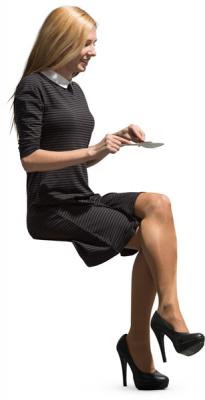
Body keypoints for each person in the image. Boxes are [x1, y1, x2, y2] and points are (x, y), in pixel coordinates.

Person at [9, 5, 204, 391]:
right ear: (62, 42)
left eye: (94, 43)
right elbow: (30, 160)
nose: (93, 52)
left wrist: (113, 140)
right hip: (53, 207)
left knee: (158, 204)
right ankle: (149, 330)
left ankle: (156, 323)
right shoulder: (32, 87)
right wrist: (92, 149)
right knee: (153, 241)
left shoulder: (75, 91)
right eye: (87, 43)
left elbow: (75, 152)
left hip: (81, 195)